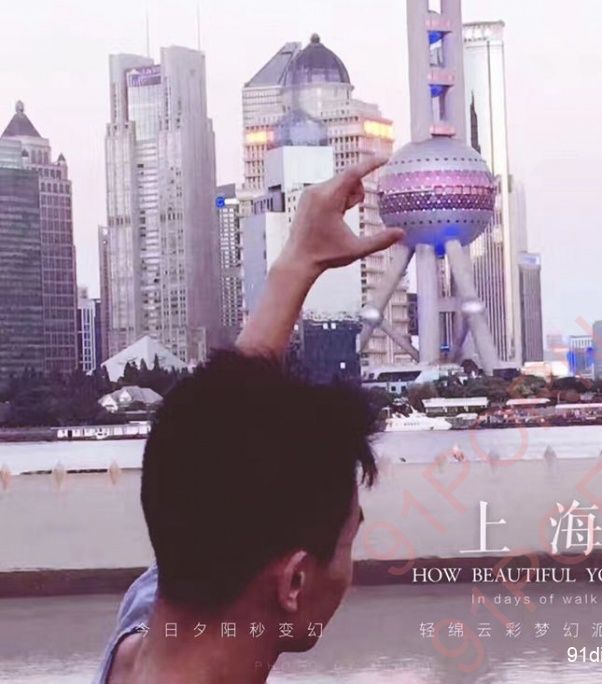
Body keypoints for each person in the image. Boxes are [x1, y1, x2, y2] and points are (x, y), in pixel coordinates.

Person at [95, 156, 404, 684]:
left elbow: (210, 452)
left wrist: (298, 263)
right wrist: (297, 263)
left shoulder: (138, 638)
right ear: (294, 583)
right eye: (347, 542)